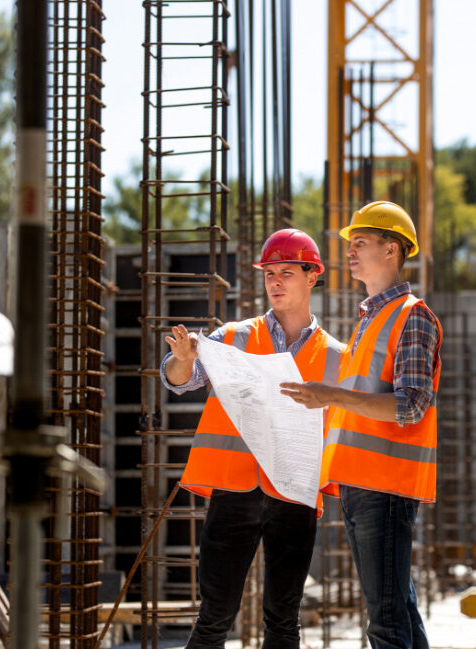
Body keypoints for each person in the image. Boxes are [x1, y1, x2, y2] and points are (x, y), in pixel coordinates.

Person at [161, 229, 342, 649]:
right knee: (214, 617)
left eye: (286, 273)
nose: (275, 282)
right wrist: (183, 361)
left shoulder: (336, 356)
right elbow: (180, 380)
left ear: (312, 276)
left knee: (283, 621)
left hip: (294, 496)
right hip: (234, 488)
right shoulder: (233, 337)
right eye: (269, 274)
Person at [280, 201, 442, 649]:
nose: (349, 252)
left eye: (361, 243)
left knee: (386, 622)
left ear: (392, 249)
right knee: (399, 610)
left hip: (385, 485)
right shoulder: (370, 319)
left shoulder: (412, 316)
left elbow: (410, 406)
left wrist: (329, 395)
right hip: (359, 483)